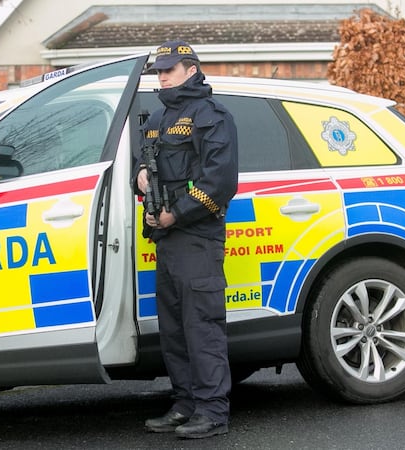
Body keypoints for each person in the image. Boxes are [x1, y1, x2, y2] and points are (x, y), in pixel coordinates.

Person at [133, 40, 238, 439]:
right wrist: (140, 176)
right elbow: (144, 165)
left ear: (191, 70)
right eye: (158, 70)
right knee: (174, 328)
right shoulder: (157, 117)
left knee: (202, 327)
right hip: (167, 240)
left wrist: (176, 213)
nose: (161, 75)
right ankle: (185, 404)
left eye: (169, 69)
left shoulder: (211, 116)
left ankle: (213, 411)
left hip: (196, 235)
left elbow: (220, 181)